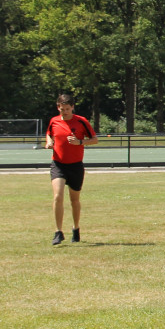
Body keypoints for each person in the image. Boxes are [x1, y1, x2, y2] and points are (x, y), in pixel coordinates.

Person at [44, 93, 98, 246]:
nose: (65, 112)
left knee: (74, 200)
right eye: (62, 109)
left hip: (75, 165)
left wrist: (79, 142)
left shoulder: (81, 121)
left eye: (67, 109)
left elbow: (95, 140)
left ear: (73, 107)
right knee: (57, 196)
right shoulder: (54, 121)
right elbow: (49, 134)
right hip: (58, 164)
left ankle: (76, 228)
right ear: (58, 108)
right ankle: (58, 232)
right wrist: (49, 142)